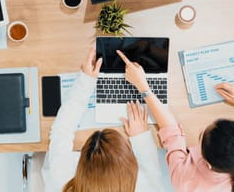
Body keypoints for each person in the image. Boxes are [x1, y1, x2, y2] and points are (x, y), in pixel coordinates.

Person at [117, 50, 234, 192]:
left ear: (206, 163)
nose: (200, 131)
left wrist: (144, 88)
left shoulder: (186, 182)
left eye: (202, 136)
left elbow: (171, 134)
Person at [41, 47, 165, 192]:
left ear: (81, 167)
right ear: (132, 168)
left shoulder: (63, 181)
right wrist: (141, 136)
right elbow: (151, 171)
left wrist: (85, 81)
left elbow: (61, 133)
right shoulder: (145, 187)